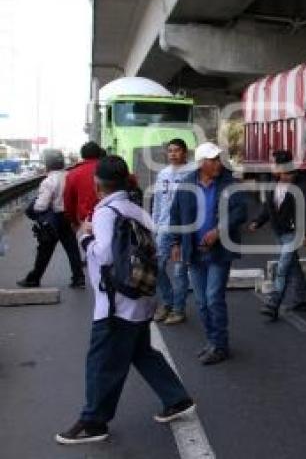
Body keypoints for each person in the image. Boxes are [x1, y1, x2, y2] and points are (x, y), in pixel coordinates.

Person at [55, 155, 195, 445]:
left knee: (101, 362)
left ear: (97, 184)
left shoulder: (106, 212)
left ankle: (93, 421)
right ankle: (177, 398)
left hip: (115, 303)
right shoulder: (134, 208)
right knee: (141, 352)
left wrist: (84, 237)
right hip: (139, 297)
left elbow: (104, 254)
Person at [168, 142, 246, 365]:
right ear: (202, 163)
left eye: (218, 158)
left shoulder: (230, 183)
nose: (217, 163)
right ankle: (213, 341)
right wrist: (175, 242)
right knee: (201, 301)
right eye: (213, 160)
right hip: (194, 251)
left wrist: (219, 231)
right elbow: (176, 215)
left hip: (220, 251)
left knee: (213, 298)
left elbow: (240, 211)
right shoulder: (186, 185)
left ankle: (220, 345)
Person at [248, 150, 306, 320]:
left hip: (294, 233)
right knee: (293, 266)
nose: (288, 176)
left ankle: (273, 304)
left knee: (283, 268)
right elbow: (268, 207)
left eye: (289, 172)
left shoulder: (301, 185)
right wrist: (258, 221)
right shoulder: (272, 182)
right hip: (280, 231)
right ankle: (302, 300)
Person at [17, 150, 86, 289]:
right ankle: (78, 278)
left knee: (44, 250)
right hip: (68, 216)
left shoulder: (48, 181)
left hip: (53, 219)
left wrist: (33, 207)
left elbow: (41, 206)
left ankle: (34, 279)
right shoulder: (71, 176)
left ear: (47, 164)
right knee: (72, 249)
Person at [151, 138, 191, 325]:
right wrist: (155, 224)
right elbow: (158, 201)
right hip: (164, 227)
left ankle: (178, 309)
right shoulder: (163, 174)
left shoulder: (193, 173)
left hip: (184, 229)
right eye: (170, 151)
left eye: (177, 150)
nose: (173, 154)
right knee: (157, 266)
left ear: (185, 153)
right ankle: (167, 302)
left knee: (179, 270)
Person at [64, 141, 105, 231]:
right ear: (99, 153)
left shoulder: (73, 174)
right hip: (109, 217)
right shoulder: (108, 169)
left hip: (86, 221)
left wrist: (74, 221)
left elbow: (69, 201)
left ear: (82, 155)